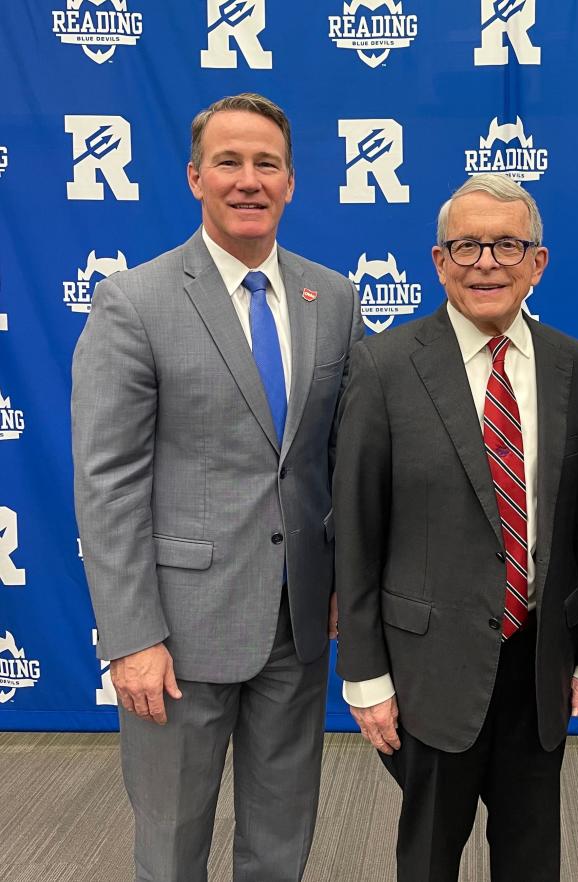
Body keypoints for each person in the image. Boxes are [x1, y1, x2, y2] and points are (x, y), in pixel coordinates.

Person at [72, 93, 363, 882]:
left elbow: (342, 458)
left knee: (282, 836)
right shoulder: (135, 301)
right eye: (228, 162)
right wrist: (131, 637)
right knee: (171, 844)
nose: (248, 180)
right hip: (177, 633)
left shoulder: (331, 298)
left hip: (296, 626)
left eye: (266, 163)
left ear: (291, 182)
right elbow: (107, 485)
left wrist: (344, 584)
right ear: (196, 176)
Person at [333, 173, 578, 882]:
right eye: (466, 245)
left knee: (531, 859)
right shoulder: (384, 365)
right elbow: (357, 532)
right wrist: (365, 677)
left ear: (538, 262)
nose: (485, 262)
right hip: (428, 673)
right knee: (428, 858)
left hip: (539, 665)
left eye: (506, 245)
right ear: (438, 261)